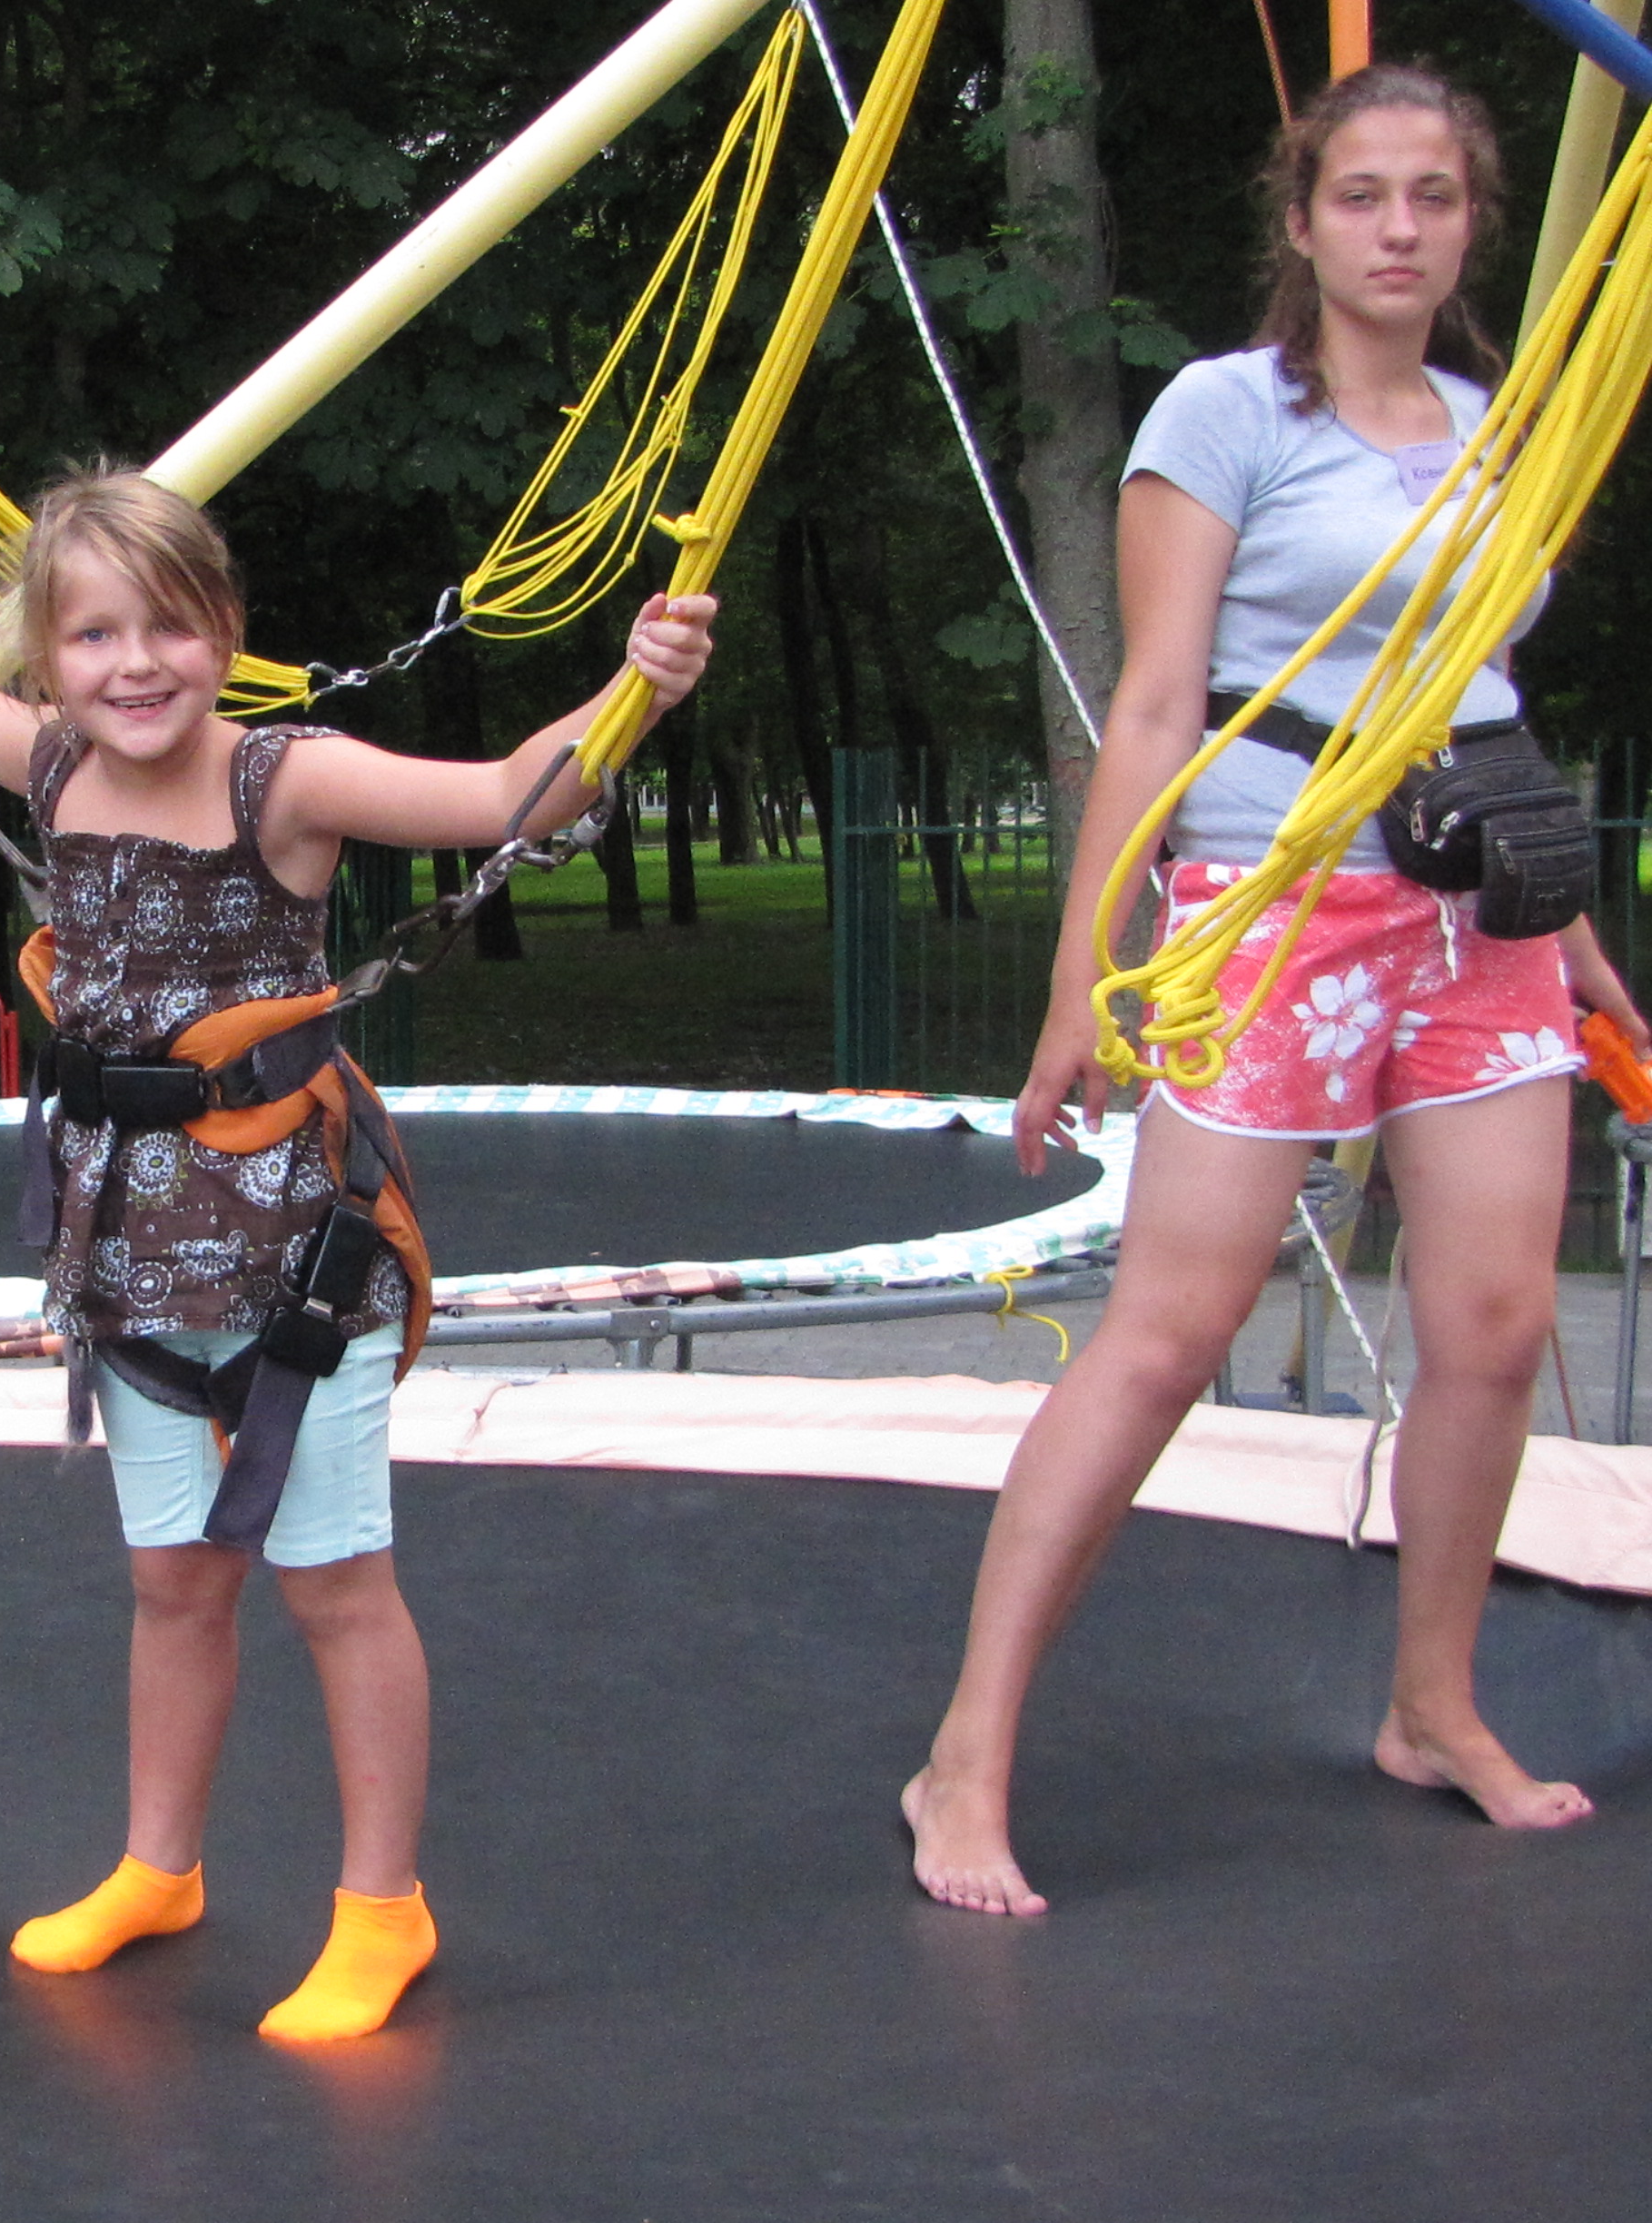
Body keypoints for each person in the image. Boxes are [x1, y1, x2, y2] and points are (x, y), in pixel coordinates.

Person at [0, 471, 714, 2035]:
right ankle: (162, 1867)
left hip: (297, 1249)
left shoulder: (280, 781)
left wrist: (634, 689)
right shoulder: (57, 761)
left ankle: (384, 1910)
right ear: (50, 658)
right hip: (129, 1247)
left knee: (334, 1584)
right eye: (90, 635)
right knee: (171, 1580)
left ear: (225, 631)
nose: (131, 664)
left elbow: (502, 797)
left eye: (166, 627)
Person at [904, 63, 1651, 1919]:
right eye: (1366, 197)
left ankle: (1432, 1706)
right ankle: (965, 1755)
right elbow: (1154, 701)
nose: (1403, 230)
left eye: (1437, 199)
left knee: (1487, 1328)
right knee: (1164, 1340)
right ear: (1303, 221)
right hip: (1276, 902)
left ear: (1475, 225)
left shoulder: (1494, 434)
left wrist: (1572, 938)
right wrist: (1088, 970)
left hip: (1474, 911)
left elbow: (1481, 694)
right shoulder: (1223, 413)